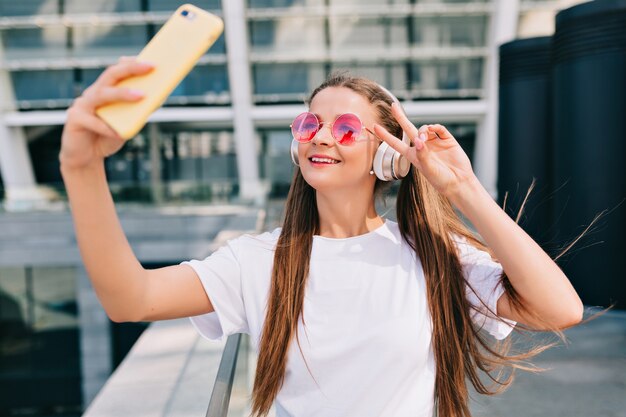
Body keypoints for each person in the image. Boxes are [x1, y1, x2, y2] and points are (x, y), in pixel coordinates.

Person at [59, 58, 584, 417]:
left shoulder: (435, 256)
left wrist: (463, 189)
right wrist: (81, 168)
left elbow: (561, 308)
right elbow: (131, 299)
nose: (324, 136)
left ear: (384, 158)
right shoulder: (258, 260)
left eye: (348, 128)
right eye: (310, 123)